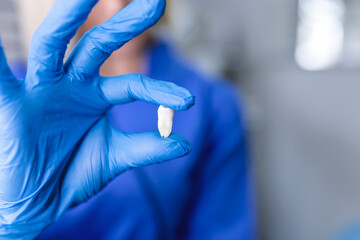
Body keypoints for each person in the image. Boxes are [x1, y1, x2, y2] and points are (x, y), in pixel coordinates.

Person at [1, 0, 256, 239]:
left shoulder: (213, 104)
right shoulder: (19, 99)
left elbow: (223, 231)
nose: (116, 5)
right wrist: (12, 227)